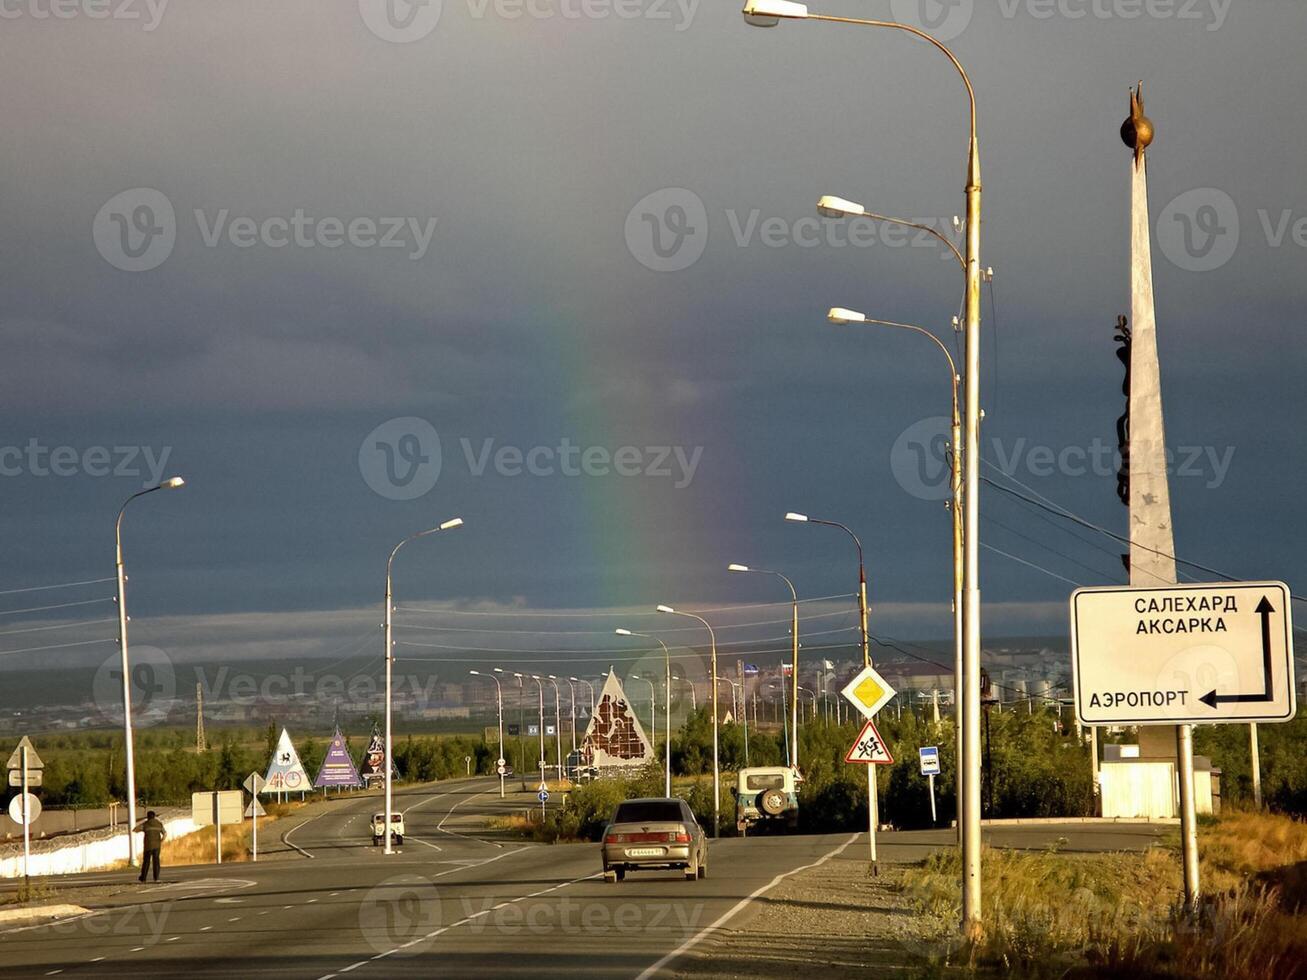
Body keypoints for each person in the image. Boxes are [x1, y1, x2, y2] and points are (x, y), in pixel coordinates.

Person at [137, 810, 166, 883]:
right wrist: (161, 840)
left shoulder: (145, 824)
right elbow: (165, 833)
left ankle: (143, 878)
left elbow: (135, 829)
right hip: (157, 846)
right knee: (156, 862)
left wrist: (143, 824)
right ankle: (156, 878)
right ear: (154, 816)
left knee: (146, 862)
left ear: (148, 817)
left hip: (148, 846)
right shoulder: (159, 824)